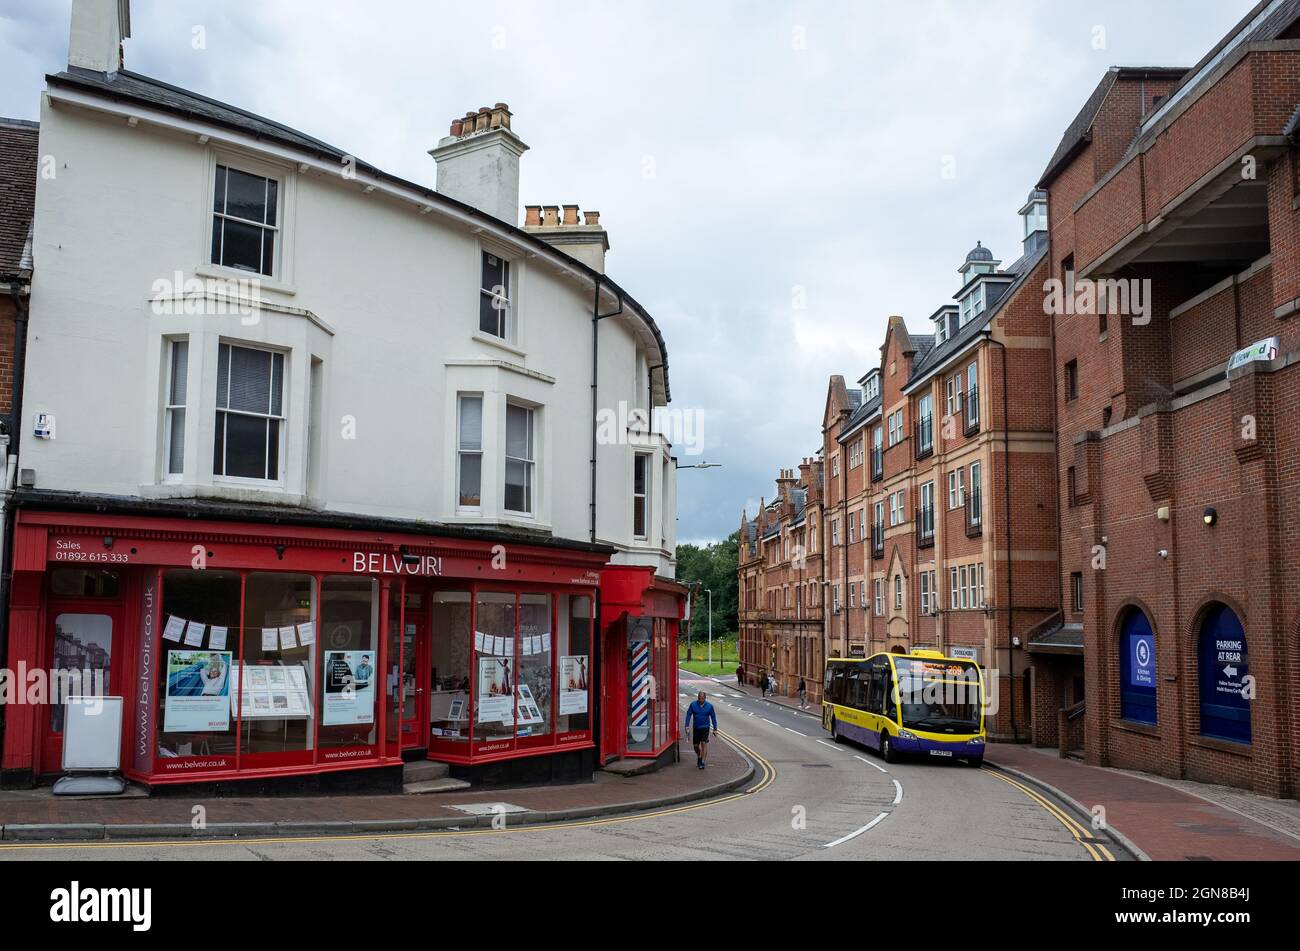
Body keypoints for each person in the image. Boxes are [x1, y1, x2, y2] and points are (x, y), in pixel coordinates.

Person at [684, 691, 718, 769]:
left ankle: (702, 762)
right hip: (696, 728)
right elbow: (688, 714)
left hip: (705, 728)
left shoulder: (709, 706)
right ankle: (699, 756)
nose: (700, 700)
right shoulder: (693, 705)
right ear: (698, 698)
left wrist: (715, 729)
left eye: (702, 698)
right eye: (699, 698)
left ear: (705, 698)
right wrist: (687, 725)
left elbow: (713, 717)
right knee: (695, 746)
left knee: (703, 743)